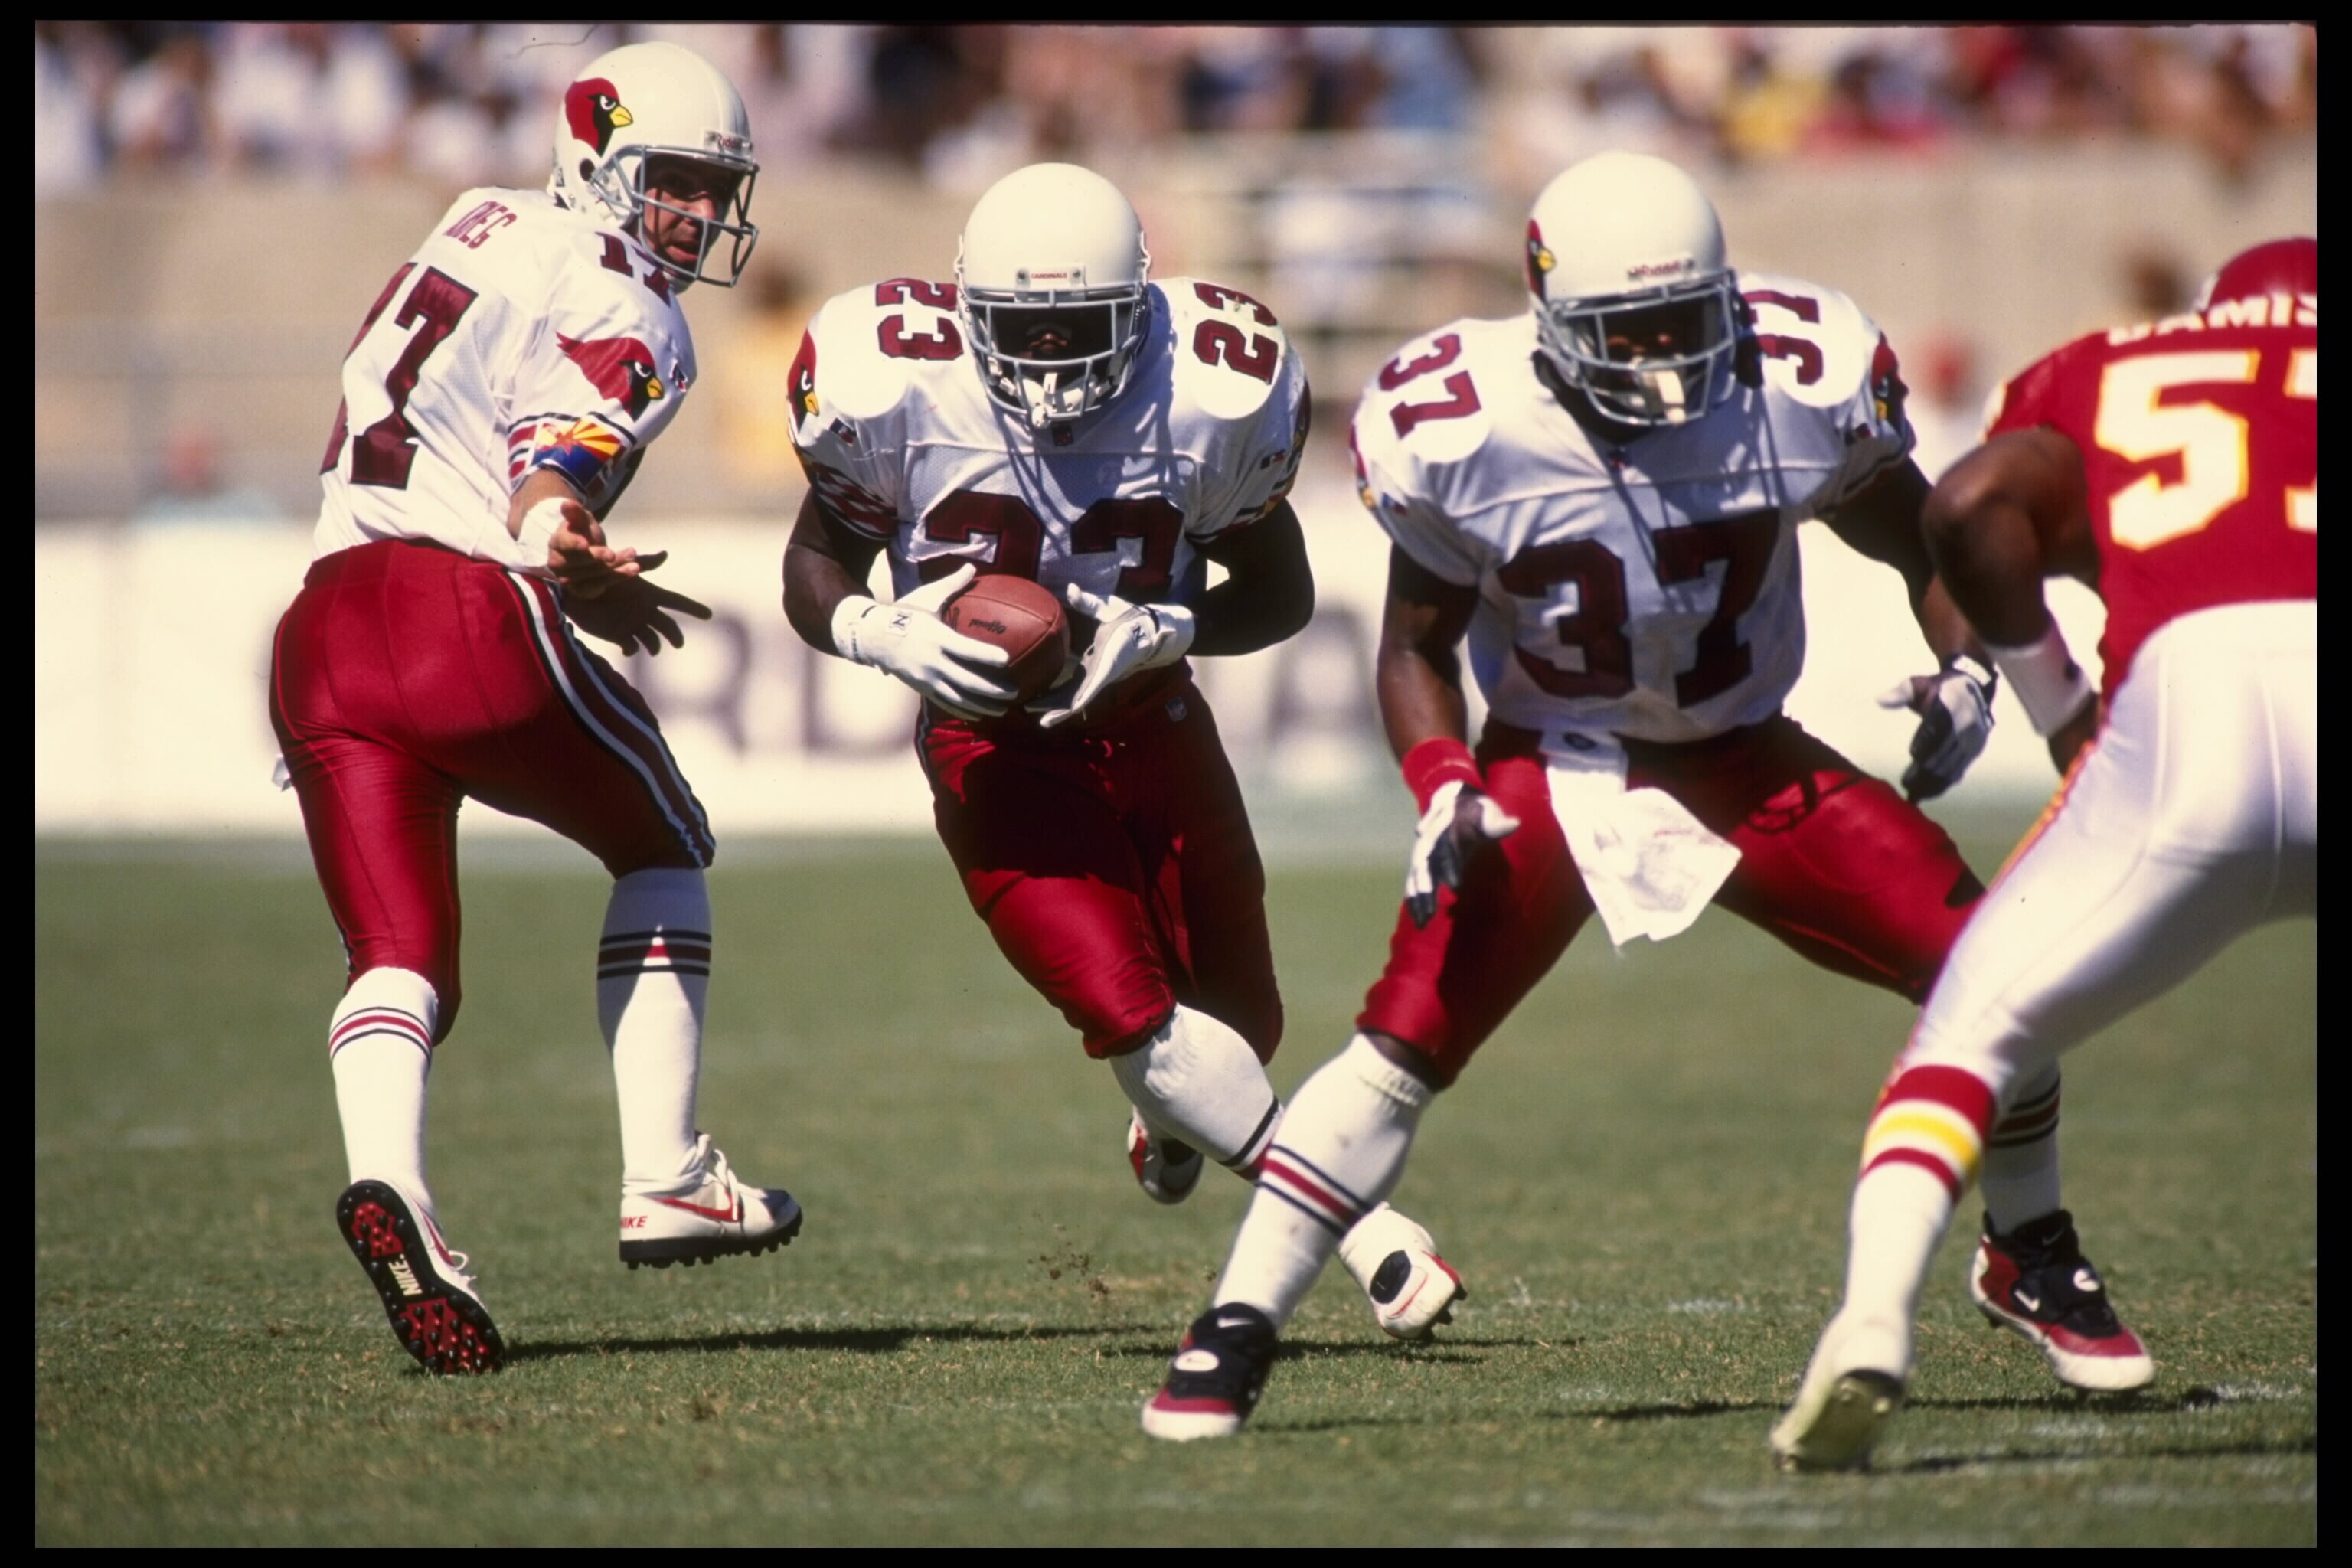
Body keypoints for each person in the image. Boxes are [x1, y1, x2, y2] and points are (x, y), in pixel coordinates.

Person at [1139, 148, 2138, 1441]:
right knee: (1399, 1045)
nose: (1669, 357)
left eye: (1687, 321)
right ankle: (1237, 1325)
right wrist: (1443, 785)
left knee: (2000, 968)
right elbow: (1415, 650)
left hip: (1746, 759)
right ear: (1553, 325)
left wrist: (1964, 670)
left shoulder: (1795, 375)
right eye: (1631, 331)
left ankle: (2031, 1247)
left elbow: (1924, 538)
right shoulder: (1463, 426)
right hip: (1552, 760)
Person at [781, 161, 1451, 1334]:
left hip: (1151, 719)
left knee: (1240, 1023)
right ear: (963, 311)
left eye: (1076, 326)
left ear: (1137, 307)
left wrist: (1171, 627)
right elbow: (814, 564)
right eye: (1021, 327)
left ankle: (1179, 1111)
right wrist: (875, 627)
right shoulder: (896, 385)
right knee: (1137, 1014)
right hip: (989, 750)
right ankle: (1373, 1240)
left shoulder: (1209, 389)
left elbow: (1281, 591)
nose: (1048, 359)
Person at [271, 41, 800, 1378]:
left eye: (709, 189)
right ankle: (667, 1173)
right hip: (461, 612)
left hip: (321, 632)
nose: (695, 217)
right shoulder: (635, 306)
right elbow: (548, 457)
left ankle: (401, 1200)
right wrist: (562, 540)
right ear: (599, 161)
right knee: (665, 844)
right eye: (673, 184)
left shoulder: (477, 218)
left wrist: (550, 527)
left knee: (396, 958)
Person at [1770, 237, 2317, 1471]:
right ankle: (2024, 1259)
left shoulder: (2109, 366)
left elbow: (1966, 508)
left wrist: (2056, 698)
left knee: (1972, 1031)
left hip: (2196, 721)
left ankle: (1869, 1323)